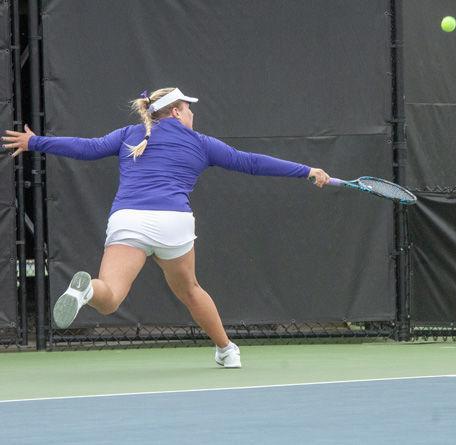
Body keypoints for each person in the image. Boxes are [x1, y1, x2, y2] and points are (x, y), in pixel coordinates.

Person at [2, 87, 330, 368]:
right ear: (175, 111)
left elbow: (87, 148)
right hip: (173, 223)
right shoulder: (201, 143)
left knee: (111, 297)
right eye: (188, 108)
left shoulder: (129, 134)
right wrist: (306, 170)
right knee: (189, 290)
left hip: (128, 218)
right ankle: (227, 351)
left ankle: (86, 291)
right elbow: (252, 163)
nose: (192, 114)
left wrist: (36, 142)